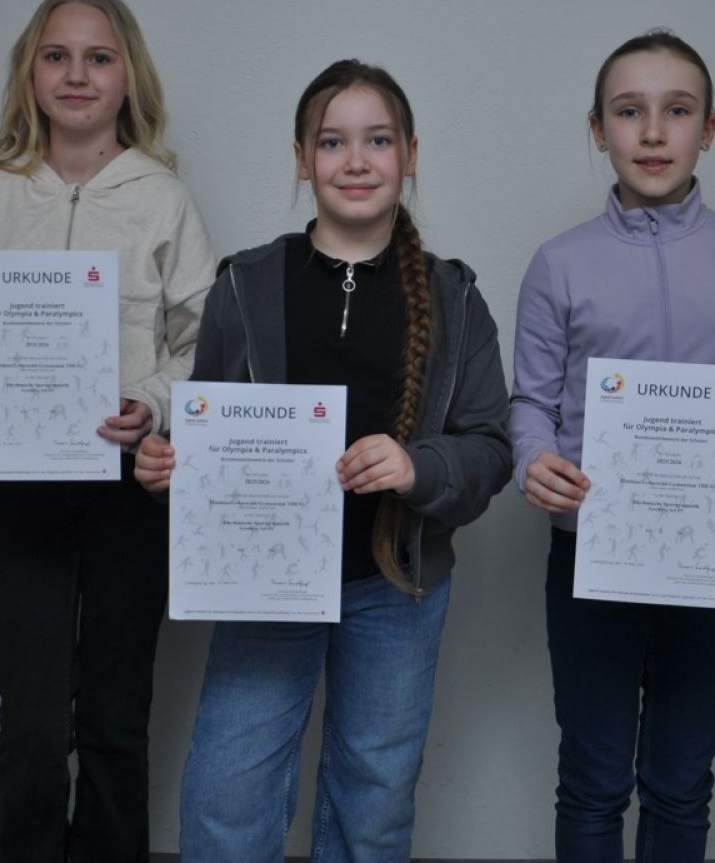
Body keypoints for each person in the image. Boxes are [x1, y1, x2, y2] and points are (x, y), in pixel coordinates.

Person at [135, 59, 511, 862]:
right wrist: (173, 472)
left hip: (395, 586)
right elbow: (207, 433)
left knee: (374, 801)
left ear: (410, 153)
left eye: (378, 140)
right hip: (263, 584)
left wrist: (416, 466)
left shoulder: (454, 297)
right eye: (333, 142)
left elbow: (489, 448)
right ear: (302, 159)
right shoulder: (245, 284)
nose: (356, 160)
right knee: (227, 792)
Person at [0, 0, 215, 863]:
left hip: (131, 490)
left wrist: (152, 402)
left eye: (98, 57)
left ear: (129, 76)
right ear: (30, 74)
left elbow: (204, 345)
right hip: (22, 489)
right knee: (34, 721)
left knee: (117, 716)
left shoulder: (163, 201)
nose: (76, 74)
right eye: (56, 56)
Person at [508, 30, 715, 861]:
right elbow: (530, 403)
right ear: (596, 128)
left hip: (712, 553)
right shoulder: (559, 263)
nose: (652, 132)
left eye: (676, 111)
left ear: (708, 128)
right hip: (590, 551)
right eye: (628, 111)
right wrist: (534, 458)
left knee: (681, 780)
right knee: (593, 778)